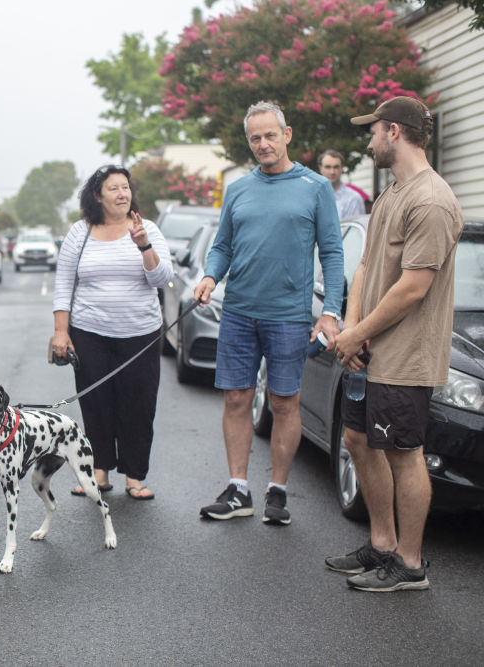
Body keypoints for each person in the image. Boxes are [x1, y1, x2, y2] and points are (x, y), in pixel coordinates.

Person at [326, 97, 462, 592]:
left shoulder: (431, 200)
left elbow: (413, 287)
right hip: (369, 350)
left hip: (405, 358)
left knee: (405, 453)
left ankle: (409, 564)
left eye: (375, 131)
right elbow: (366, 268)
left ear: (396, 133)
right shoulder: (390, 196)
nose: (370, 141)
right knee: (358, 441)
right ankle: (381, 545)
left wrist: (356, 335)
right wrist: (354, 327)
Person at [194, 101, 344, 525]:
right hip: (239, 310)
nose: (263, 144)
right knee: (237, 397)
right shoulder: (239, 189)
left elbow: (332, 253)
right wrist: (209, 276)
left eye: (270, 135)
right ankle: (238, 489)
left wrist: (329, 312)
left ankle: (277, 490)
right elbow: (222, 244)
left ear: (287, 135)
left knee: (283, 402)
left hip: (289, 316)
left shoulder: (315, 188)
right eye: (255, 138)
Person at [51, 165, 173, 500]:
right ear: (97, 196)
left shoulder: (145, 229)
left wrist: (144, 246)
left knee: (139, 404)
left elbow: (162, 279)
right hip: (89, 332)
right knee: (96, 403)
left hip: (141, 334)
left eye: (125, 187)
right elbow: (63, 284)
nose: (122, 194)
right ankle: (99, 473)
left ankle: (135, 477)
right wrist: (61, 332)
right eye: (113, 188)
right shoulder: (81, 232)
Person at [318, 149, 365, 220]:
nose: (332, 172)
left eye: (336, 167)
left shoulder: (353, 199)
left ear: (342, 169)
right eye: (328, 167)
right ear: (321, 169)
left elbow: (353, 230)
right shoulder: (313, 197)